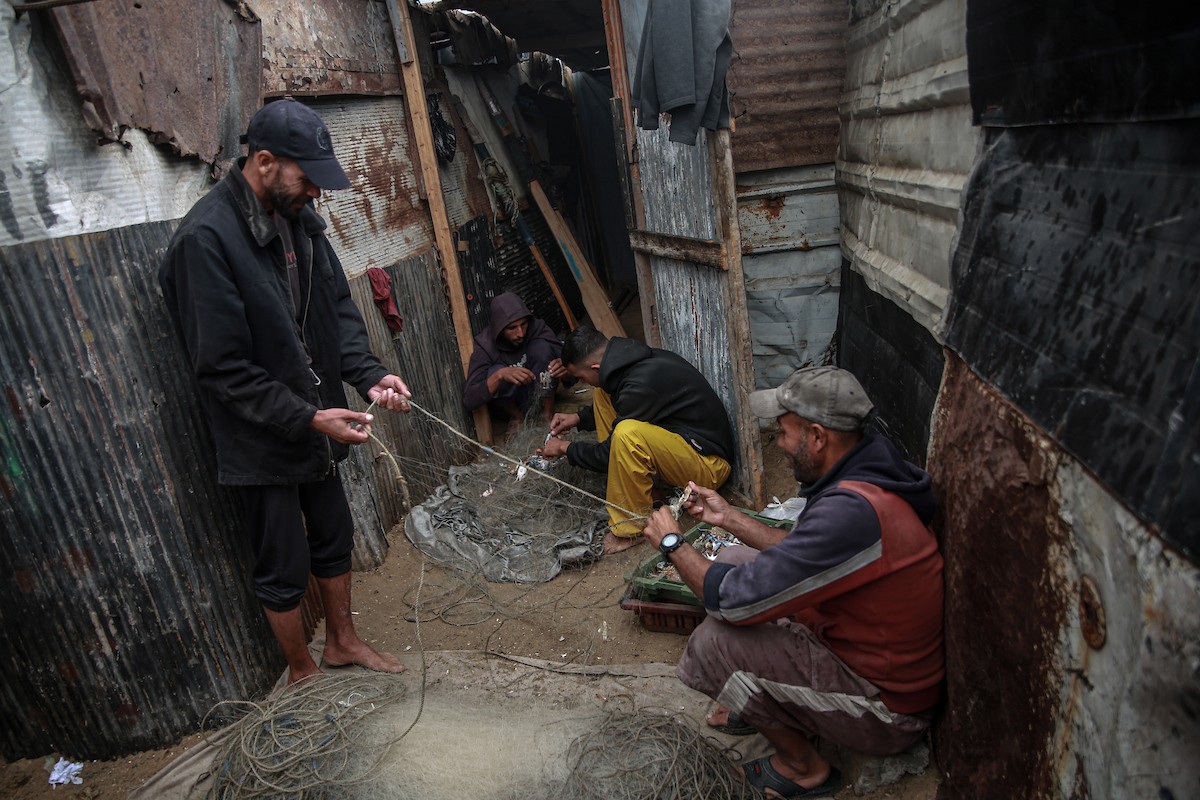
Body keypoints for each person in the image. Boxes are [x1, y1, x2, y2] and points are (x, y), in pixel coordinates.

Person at [159, 98, 413, 685]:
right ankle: (301, 669)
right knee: (283, 561)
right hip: (261, 434)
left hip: (315, 419)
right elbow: (222, 368)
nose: (316, 194)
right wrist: (306, 416)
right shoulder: (205, 241)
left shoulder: (300, 222)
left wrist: (369, 373)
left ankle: (343, 642)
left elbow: (335, 308)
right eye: (308, 178)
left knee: (333, 535)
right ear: (265, 162)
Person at [643, 366, 944, 799]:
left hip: (886, 709)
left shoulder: (853, 512)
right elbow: (802, 552)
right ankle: (768, 704)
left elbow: (731, 601)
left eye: (783, 432)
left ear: (818, 436)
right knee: (731, 556)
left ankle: (803, 767)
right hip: (856, 652)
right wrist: (727, 518)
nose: (779, 444)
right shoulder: (867, 467)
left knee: (715, 641)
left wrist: (673, 543)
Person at [539, 326, 734, 554]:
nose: (583, 383)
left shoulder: (641, 382)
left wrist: (565, 447)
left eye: (581, 377)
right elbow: (625, 404)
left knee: (626, 434)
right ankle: (649, 493)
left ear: (595, 367)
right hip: (684, 445)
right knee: (603, 393)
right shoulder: (630, 361)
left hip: (708, 467)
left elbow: (608, 454)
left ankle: (629, 530)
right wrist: (578, 418)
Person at [462, 292, 565, 428]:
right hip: (510, 404)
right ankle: (517, 418)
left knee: (542, 348)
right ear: (499, 328)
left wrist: (564, 367)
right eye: (512, 328)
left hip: (539, 394)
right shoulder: (485, 346)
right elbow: (470, 400)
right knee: (496, 371)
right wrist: (500, 376)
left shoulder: (536, 327)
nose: (520, 333)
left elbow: (573, 367)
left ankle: (547, 414)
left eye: (523, 324)